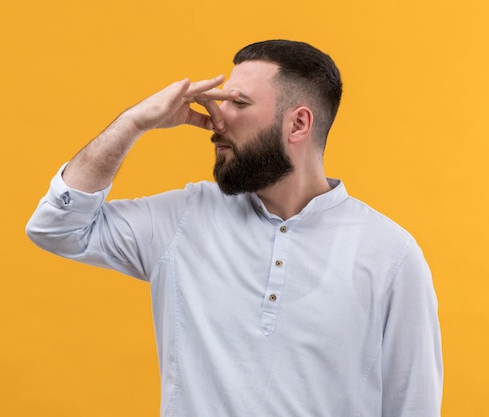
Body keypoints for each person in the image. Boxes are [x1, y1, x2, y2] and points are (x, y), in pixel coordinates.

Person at [26, 40, 443, 416]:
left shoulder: (391, 255)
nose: (216, 119)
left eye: (238, 103)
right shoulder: (184, 217)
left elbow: (414, 407)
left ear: (298, 124)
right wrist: (135, 122)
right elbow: (57, 226)